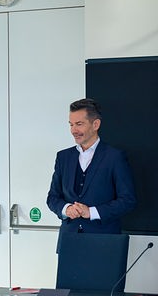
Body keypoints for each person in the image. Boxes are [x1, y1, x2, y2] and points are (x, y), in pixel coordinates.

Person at [46, 98, 137, 243]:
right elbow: (52, 198)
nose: (73, 130)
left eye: (79, 124)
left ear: (96, 124)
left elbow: (127, 200)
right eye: (71, 125)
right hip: (69, 241)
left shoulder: (114, 157)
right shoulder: (63, 157)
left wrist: (92, 212)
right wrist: (66, 208)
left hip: (104, 243)